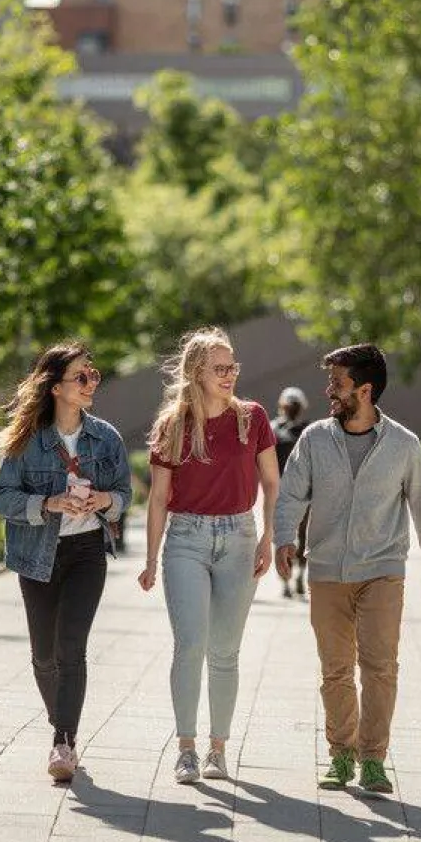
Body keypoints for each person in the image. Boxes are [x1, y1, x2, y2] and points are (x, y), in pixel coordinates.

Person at [273, 343, 421, 795]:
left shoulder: (403, 445)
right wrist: (284, 538)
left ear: (365, 390)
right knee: (335, 670)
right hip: (328, 570)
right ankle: (340, 755)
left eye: (338, 383)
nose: (329, 390)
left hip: (382, 570)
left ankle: (373, 759)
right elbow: (291, 493)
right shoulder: (314, 439)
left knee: (380, 667)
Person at [139, 327, 280, 785]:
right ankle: (186, 749)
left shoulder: (252, 418)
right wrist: (150, 559)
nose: (230, 375)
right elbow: (158, 498)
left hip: (240, 537)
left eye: (233, 366)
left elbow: (273, 484)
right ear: (197, 372)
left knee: (225, 651)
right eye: (220, 368)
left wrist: (268, 538)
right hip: (186, 540)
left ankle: (218, 749)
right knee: (190, 645)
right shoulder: (172, 425)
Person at [0, 343, 130, 783]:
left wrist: (105, 500)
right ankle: (61, 724)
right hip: (38, 556)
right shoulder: (27, 440)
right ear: (55, 388)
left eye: (93, 375)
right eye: (81, 377)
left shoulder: (106, 437)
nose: (90, 383)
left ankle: (62, 742)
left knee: (71, 649)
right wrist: (49, 502)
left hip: (87, 552)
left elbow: (125, 495)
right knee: (43, 657)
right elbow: (0, 497)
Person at [272, 386, 312, 599]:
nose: (292, 410)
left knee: (304, 536)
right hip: (280, 492)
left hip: (305, 491)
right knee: (283, 535)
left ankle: (300, 576)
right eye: (289, 406)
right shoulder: (273, 429)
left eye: (295, 406)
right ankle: (286, 580)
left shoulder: (308, 431)